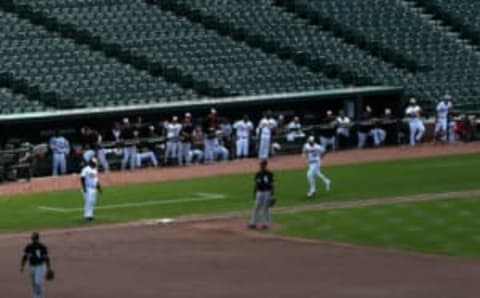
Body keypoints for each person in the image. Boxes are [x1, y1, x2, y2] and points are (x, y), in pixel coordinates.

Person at [21, 232, 53, 298]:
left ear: (37, 238)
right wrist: (22, 266)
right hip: (31, 267)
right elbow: (25, 257)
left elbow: (46, 258)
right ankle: (36, 295)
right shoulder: (28, 247)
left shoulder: (42, 247)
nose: (33, 239)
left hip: (40, 267)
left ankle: (39, 296)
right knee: (33, 283)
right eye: (32, 238)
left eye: (34, 238)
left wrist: (49, 268)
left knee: (38, 282)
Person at [248, 160, 275, 230]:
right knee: (256, 207)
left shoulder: (270, 174)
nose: (261, 166)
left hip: (267, 192)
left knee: (265, 208)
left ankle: (266, 224)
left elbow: (272, 185)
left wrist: (272, 195)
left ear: (265, 165)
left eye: (262, 165)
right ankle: (253, 223)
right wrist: (254, 192)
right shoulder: (258, 174)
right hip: (259, 192)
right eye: (260, 165)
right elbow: (256, 184)